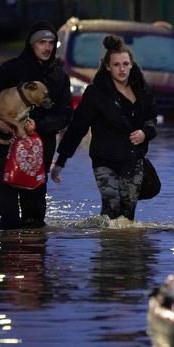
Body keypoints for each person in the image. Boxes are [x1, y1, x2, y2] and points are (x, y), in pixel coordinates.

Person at [0, 20, 72, 229]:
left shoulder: (59, 77)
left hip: (40, 149)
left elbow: (65, 115)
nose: (47, 47)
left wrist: (37, 125)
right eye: (42, 42)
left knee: (34, 216)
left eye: (51, 42)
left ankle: (32, 259)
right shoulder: (12, 69)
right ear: (31, 44)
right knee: (9, 216)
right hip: (4, 147)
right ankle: (7, 257)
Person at [50, 35, 158, 221]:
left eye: (125, 63)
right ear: (107, 66)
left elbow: (151, 120)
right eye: (116, 65)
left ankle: (126, 248)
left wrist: (145, 133)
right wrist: (61, 161)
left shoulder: (144, 90)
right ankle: (107, 246)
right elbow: (78, 127)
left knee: (127, 211)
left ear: (132, 64)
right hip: (104, 160)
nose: (122, 69)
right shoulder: (96, 93)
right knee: (112, 205)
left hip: (133, 159)